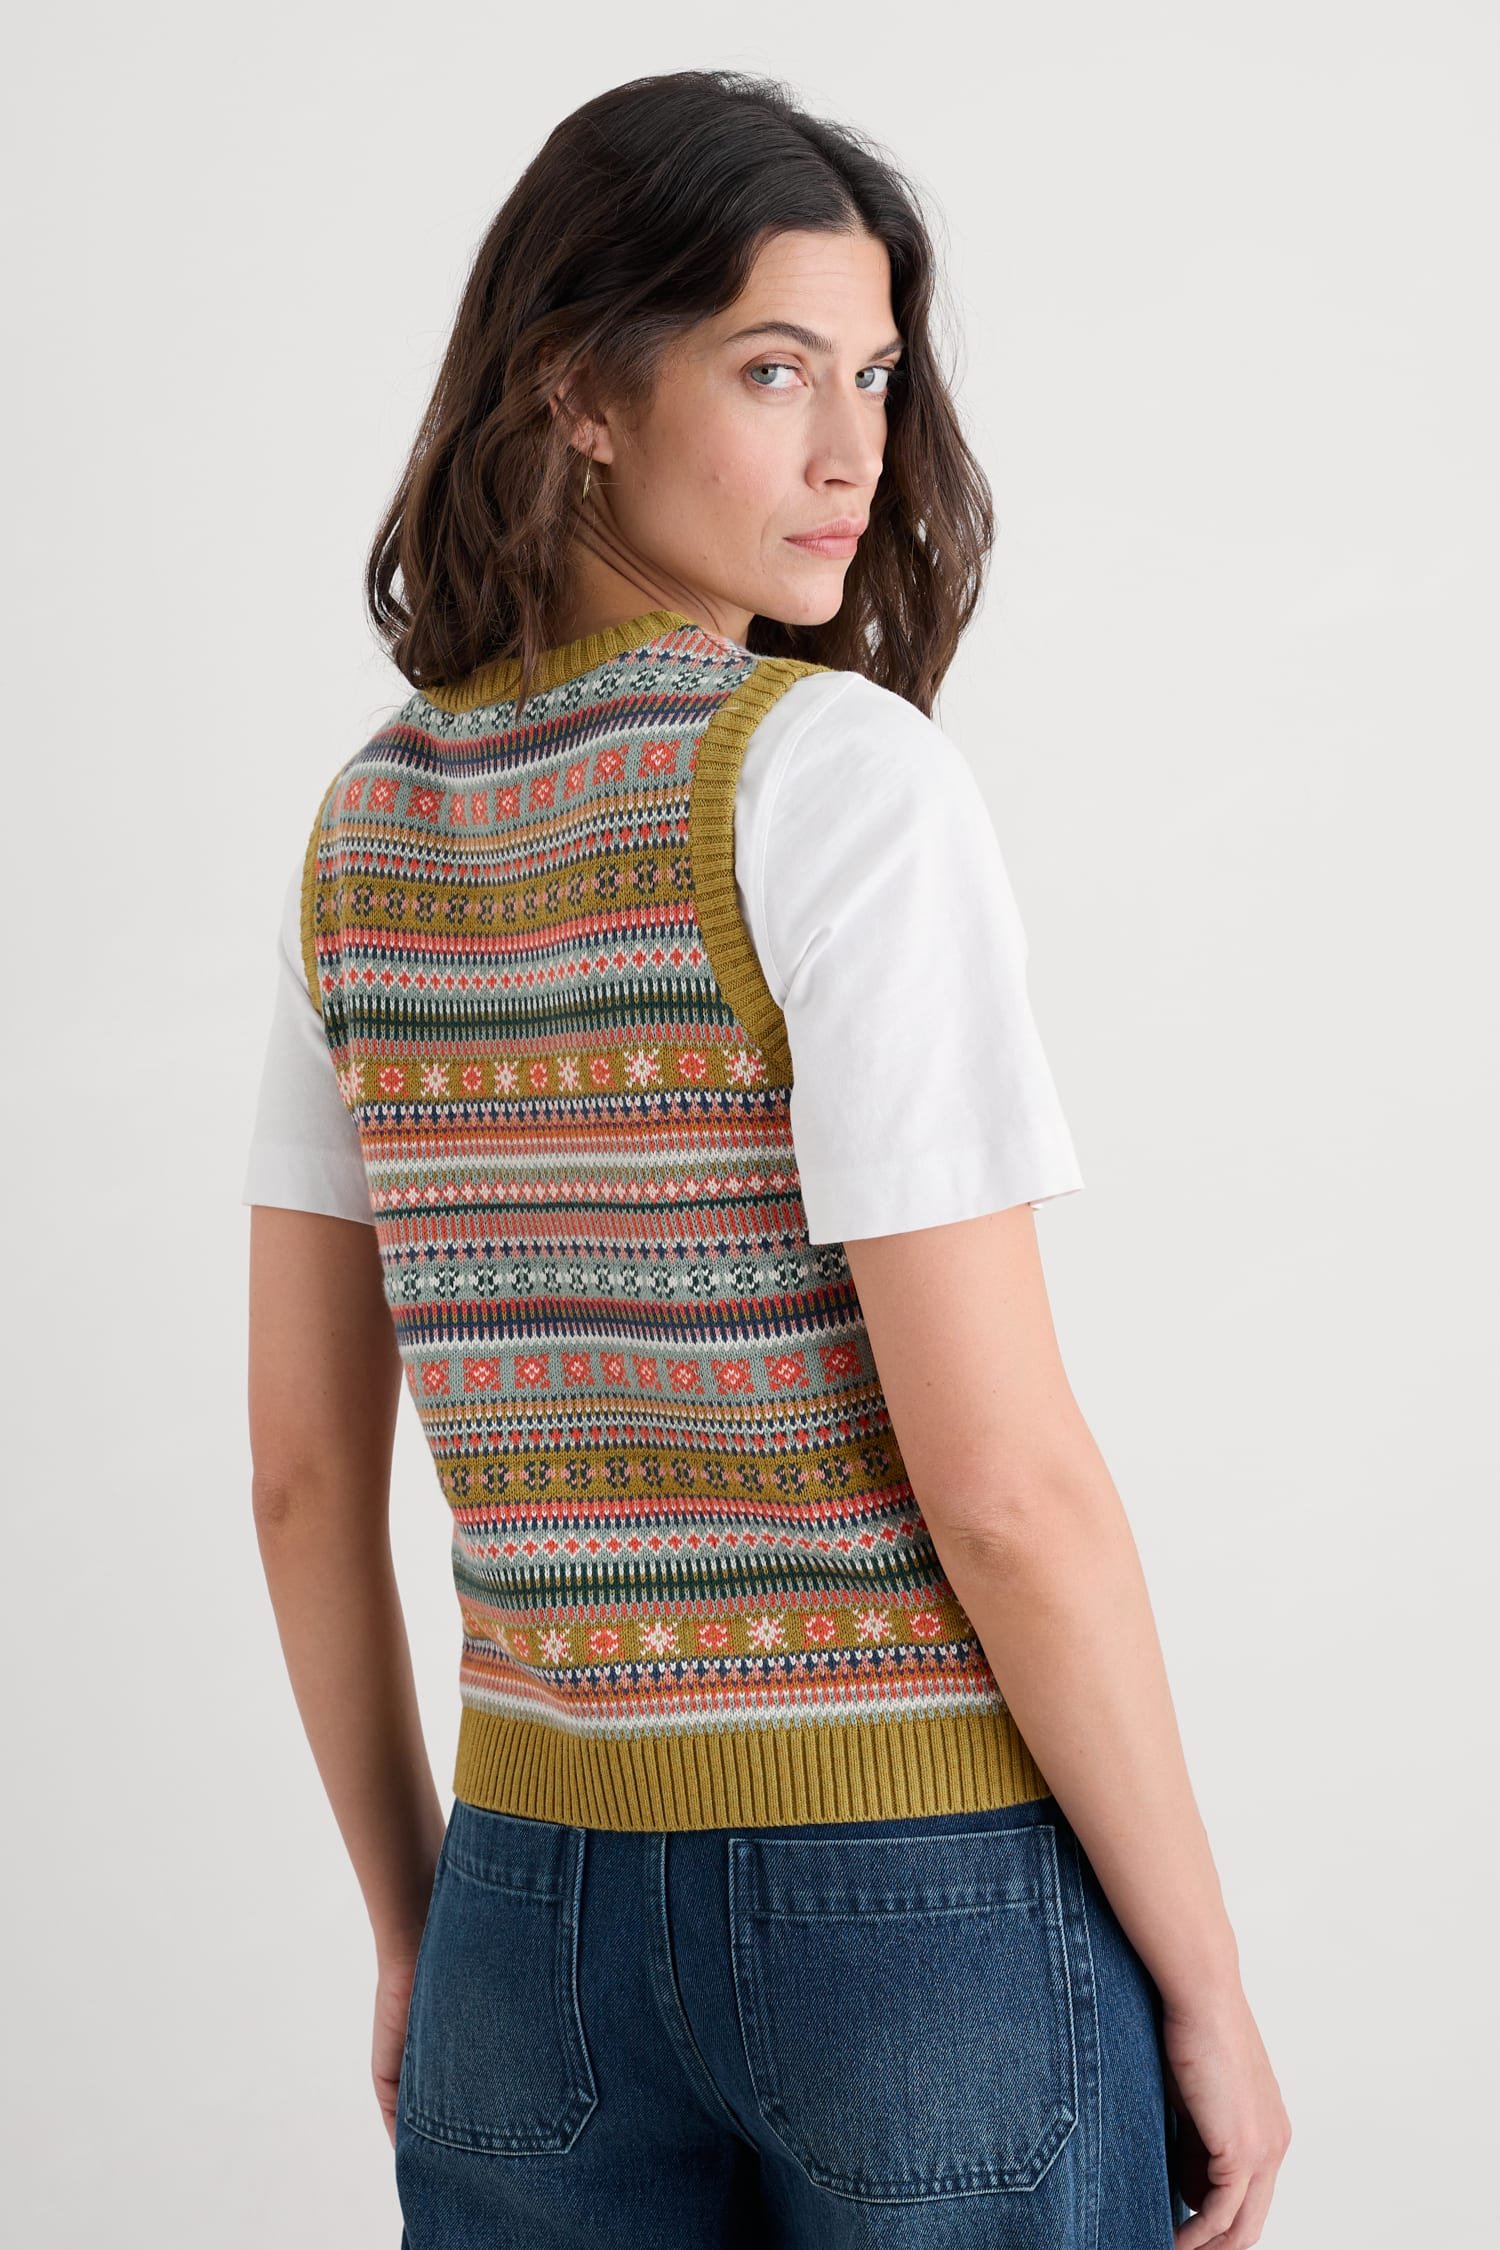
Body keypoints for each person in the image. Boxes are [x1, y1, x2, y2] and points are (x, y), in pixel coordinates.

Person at [242, 66, 1290, 2250]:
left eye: (876, 374)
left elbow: (304, 1477)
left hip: (528, 1914)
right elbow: (1005, 1487)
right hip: (916, 1906)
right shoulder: (834, 780)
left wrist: (425, 1926)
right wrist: (1205, 1984)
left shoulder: (363, 836)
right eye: (772, 368)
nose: (852, 451)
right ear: (577, 389)